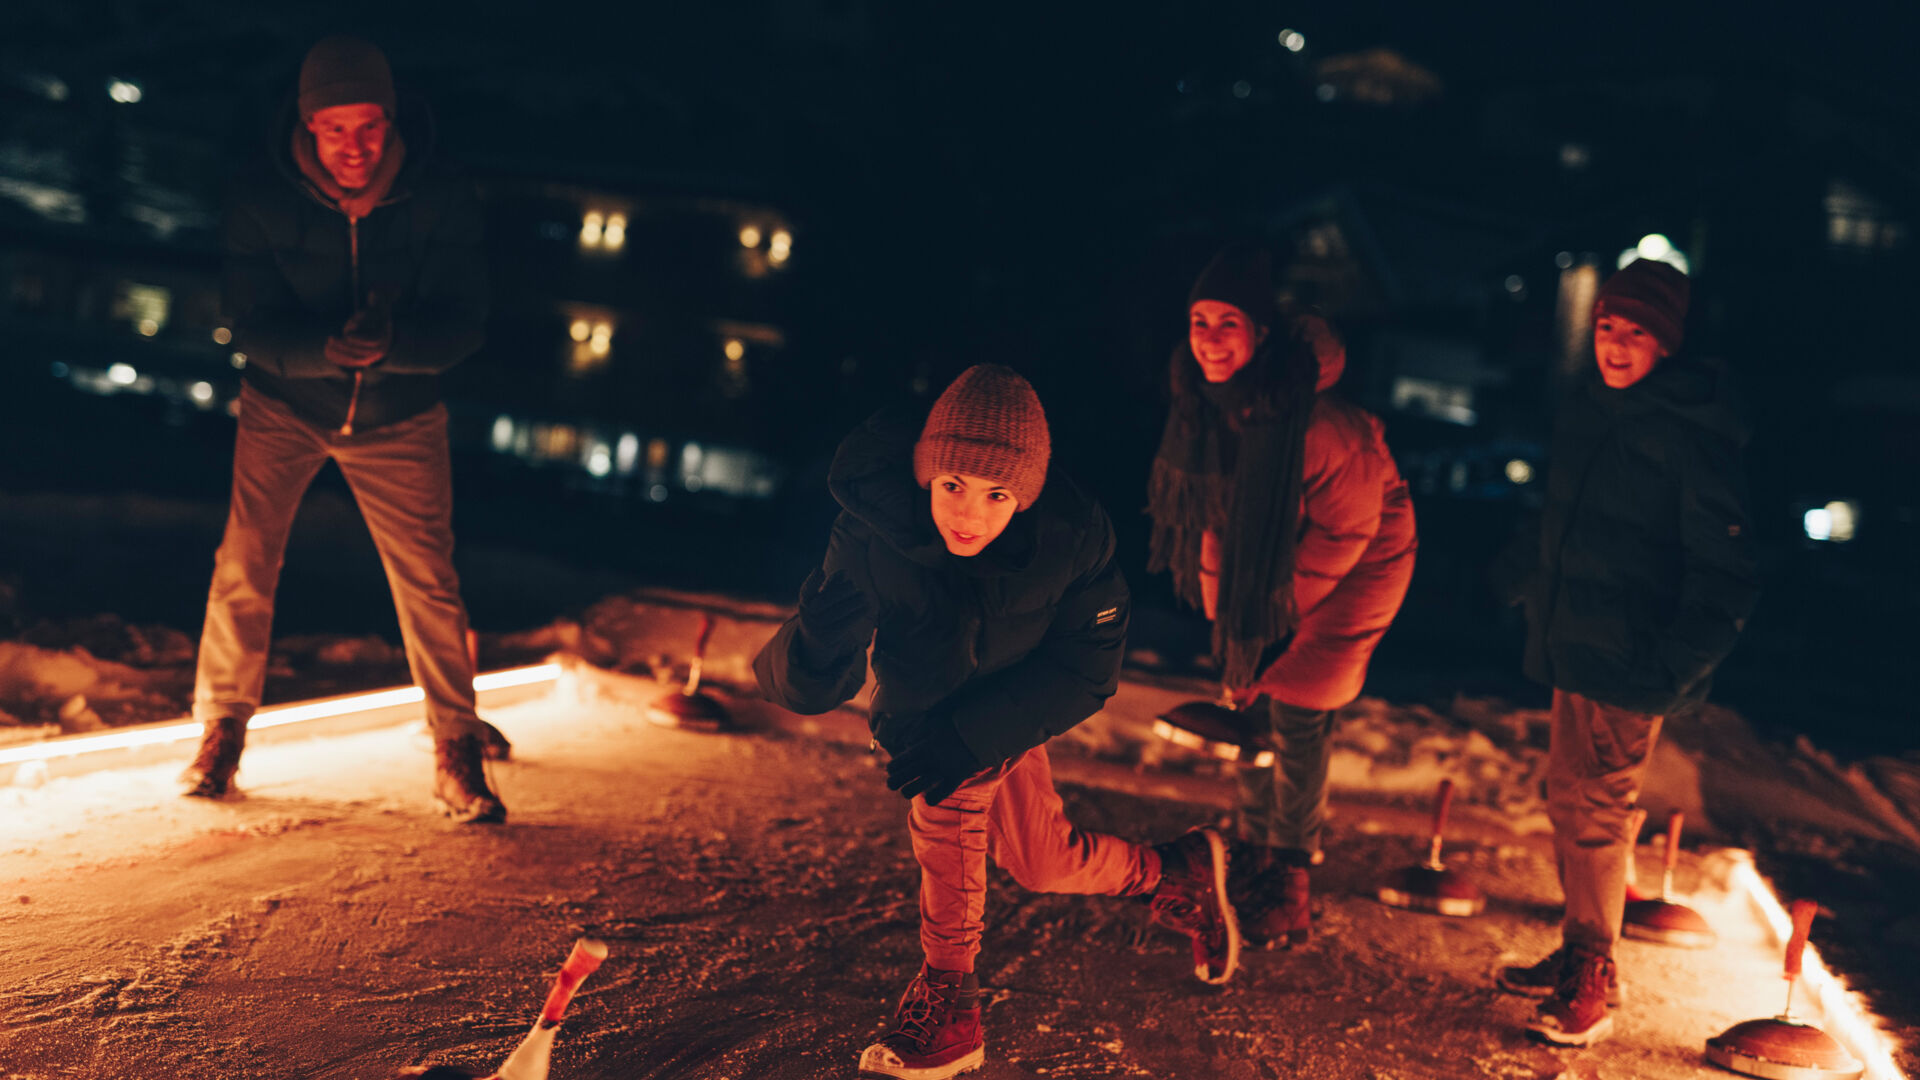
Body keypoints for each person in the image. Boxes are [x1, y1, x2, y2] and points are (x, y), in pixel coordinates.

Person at [755, 364, 1240, 1080]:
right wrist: (816, 642)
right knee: (1041, 861)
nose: (968, 513)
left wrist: (973, 737)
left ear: (1028, 495)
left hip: (1012, 706)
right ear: (925, 476)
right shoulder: (871, 527)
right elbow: (810, 683)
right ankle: (1175, 870)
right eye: (951, 484)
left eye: (997, 494)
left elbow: (1088, 668)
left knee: (946, 795)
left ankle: (951, 999)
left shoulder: (1073, 539)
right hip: (927, 703)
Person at [179, 36, 507, 823]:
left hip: (401, 414)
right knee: (245, 558)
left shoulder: (440, 195)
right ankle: (221, 729)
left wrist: (396, 347)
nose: (353, 148)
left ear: (390, 121)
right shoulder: (261, 194)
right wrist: (318, 351)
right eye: (335, 128)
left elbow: (469, 321)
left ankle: (455, 751)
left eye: (367, 126)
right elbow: (247, 320)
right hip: (285, 405)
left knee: (428, 577)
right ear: (308, 124)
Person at [1495, 258, 1759, 1046]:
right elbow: (1568, 518)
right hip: (1575, 641)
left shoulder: (1687, 436)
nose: (1615, 344)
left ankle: (1595, 976)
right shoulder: (1596, 410)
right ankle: (1578, 946)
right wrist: (1522, 576)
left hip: (1633, 660)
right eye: (1607, 327)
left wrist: (1672, 666)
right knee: (1569, 800)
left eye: (1634, 333)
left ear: (1666, 346)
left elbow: (1730, 574)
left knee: (1600, 813)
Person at [1146, 244, 1417, 948]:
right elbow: (1213, 523)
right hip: (1280, 563)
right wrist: (1230, 628)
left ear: (1260, 334)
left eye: (1226, 322)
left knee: (1299, 707)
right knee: (1251, 694)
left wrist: (1271, 619)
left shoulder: (1316, 422)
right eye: (1198, 321)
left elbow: (1348, 527)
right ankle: (1255, 853)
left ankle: (1289, 883)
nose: (1208, 339)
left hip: (1363, 554)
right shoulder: (1206, 412)